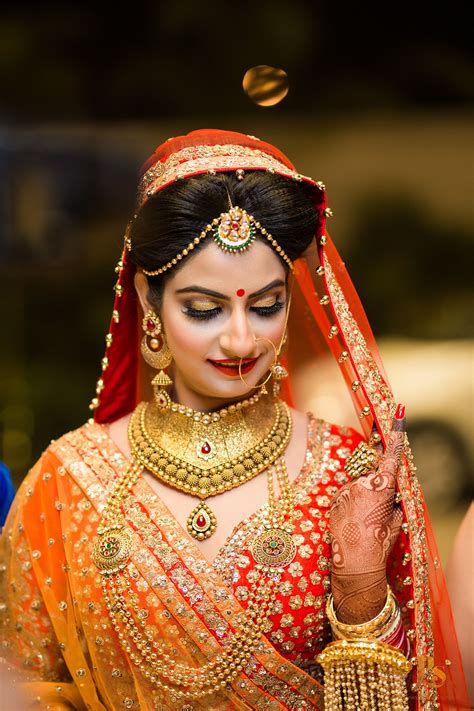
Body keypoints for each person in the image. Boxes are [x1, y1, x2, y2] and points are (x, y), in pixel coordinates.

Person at [0, 129, 469, 710]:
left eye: (267, 305)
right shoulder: (68, 483)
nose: (242, 338)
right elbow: (22, 687)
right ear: (148, 301)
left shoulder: (352, 479)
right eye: (204, 309)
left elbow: (419, 694)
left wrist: (360, 594)